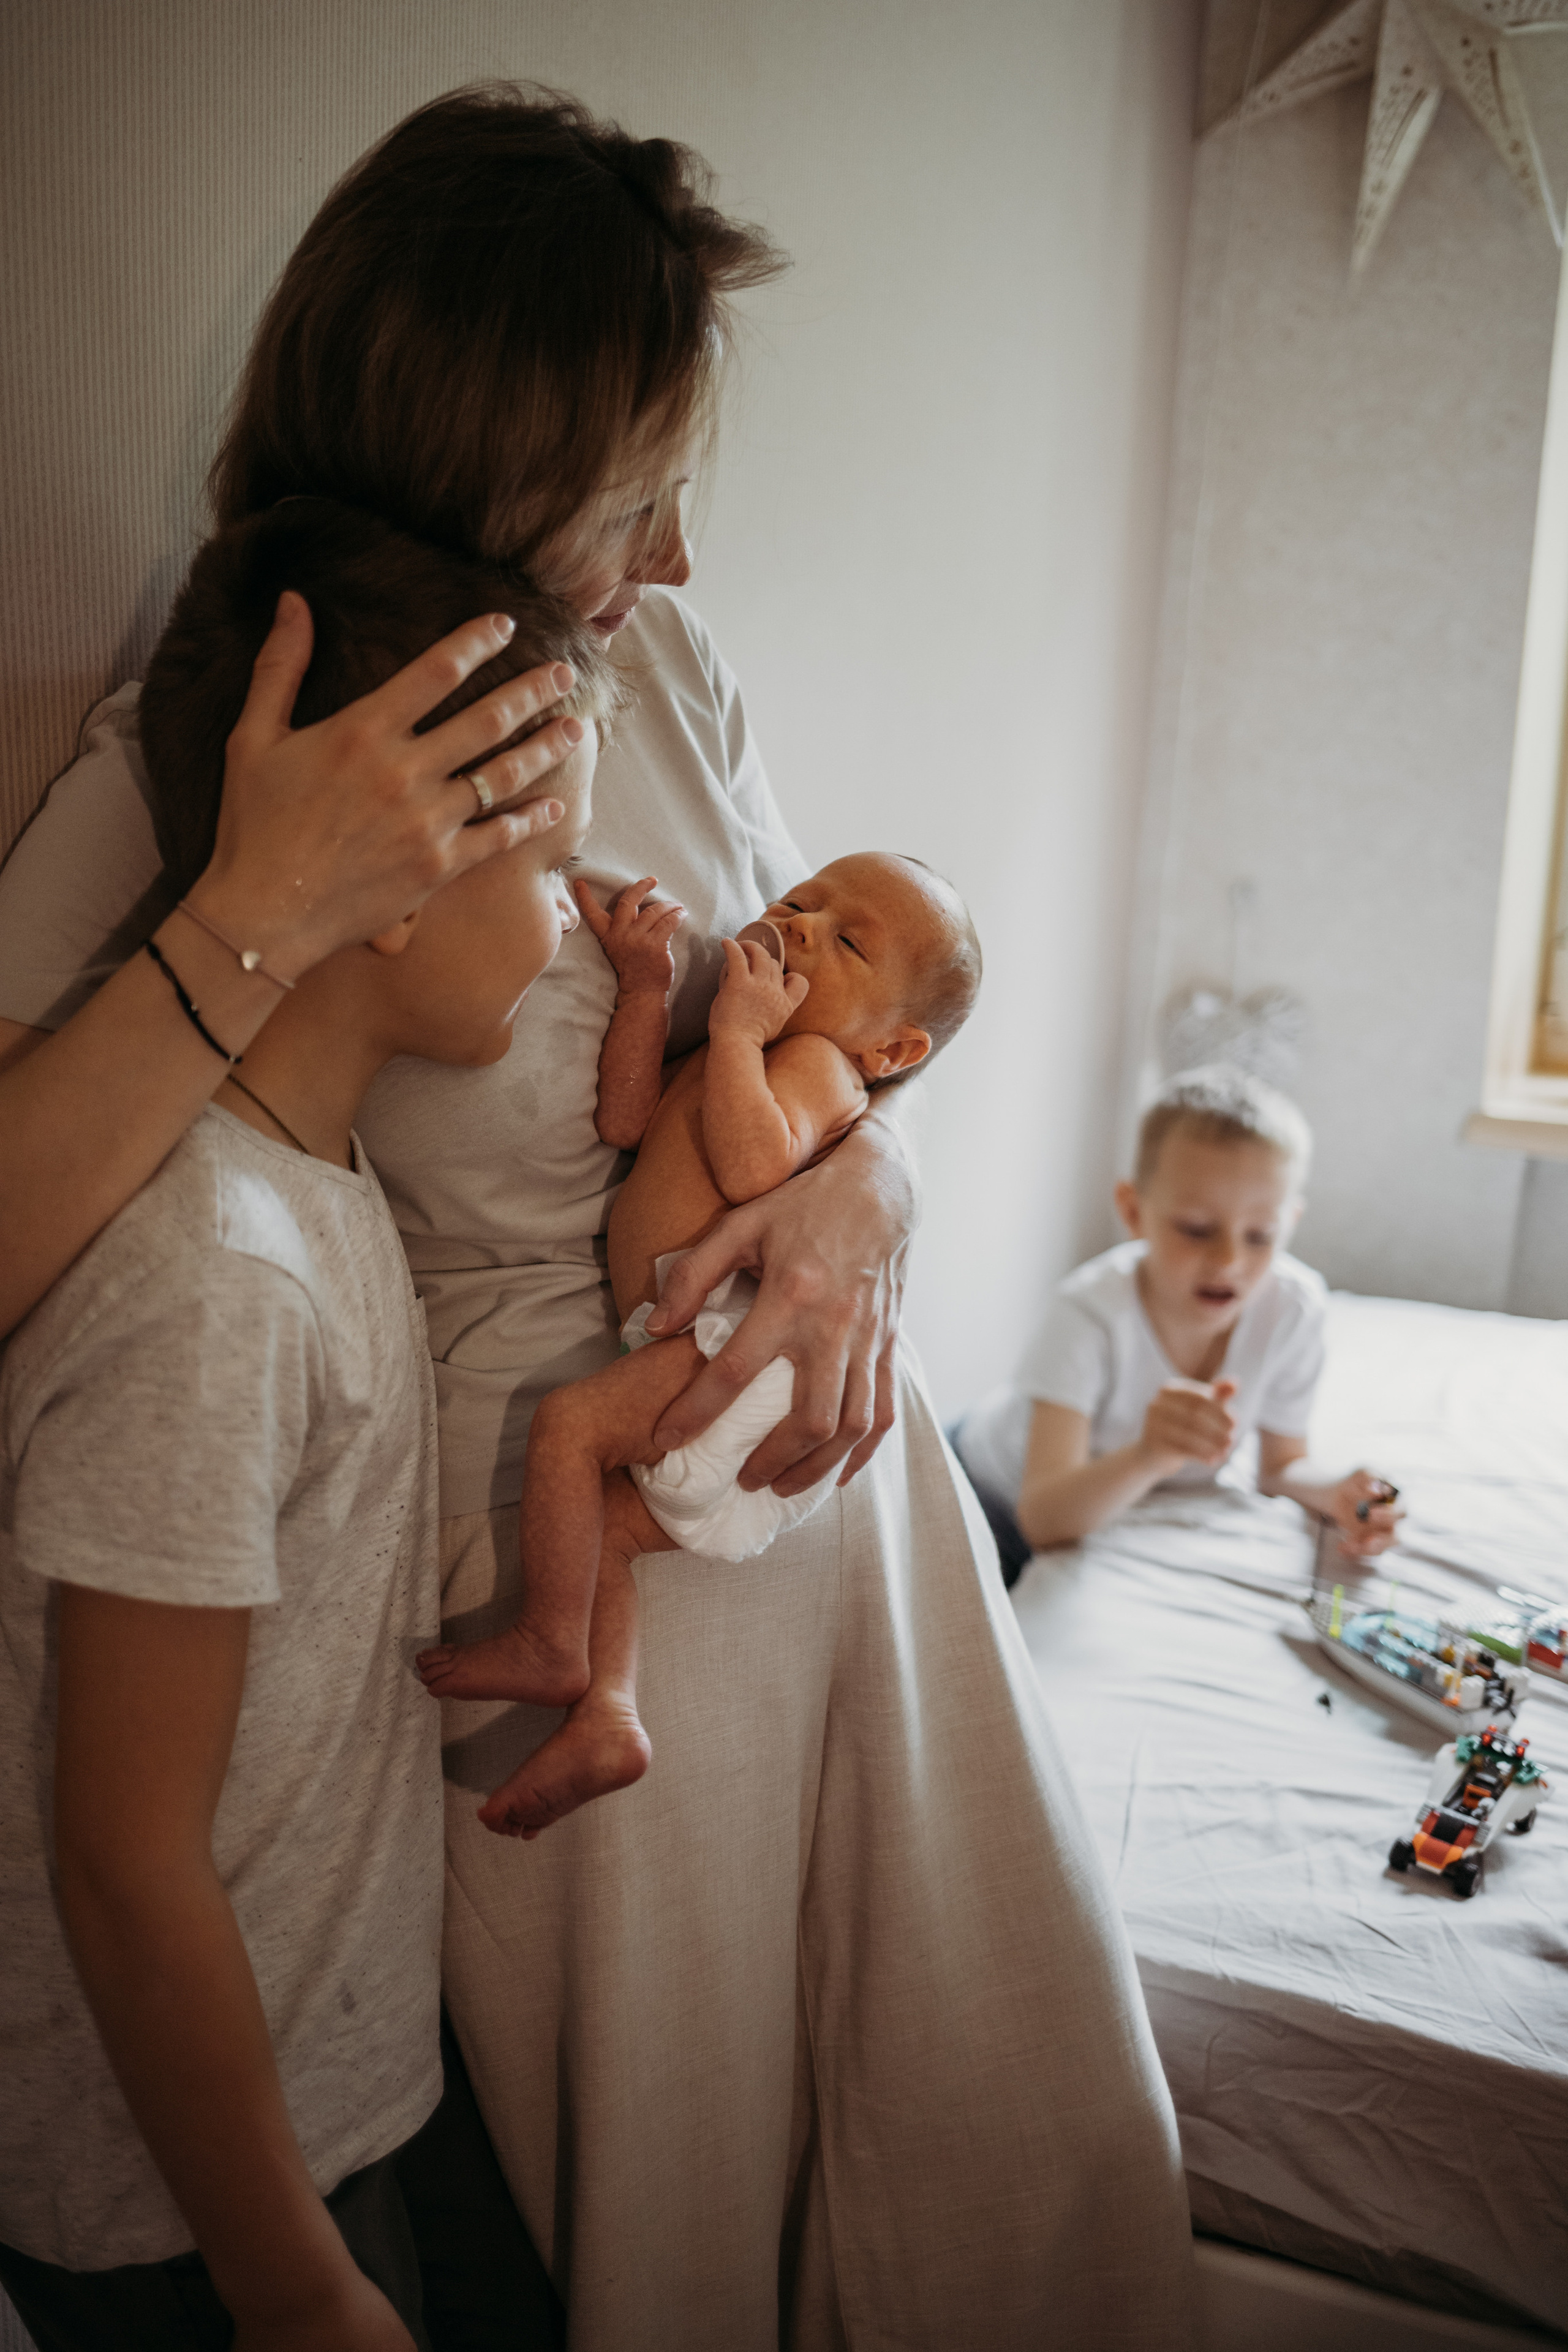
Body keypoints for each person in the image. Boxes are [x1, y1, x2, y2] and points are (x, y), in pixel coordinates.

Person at [0, 86, 1197, 2348]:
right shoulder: (246, 715)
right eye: (634, 491)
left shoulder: (655, 664)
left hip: (818, 1466)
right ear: (496, 438)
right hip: (560, 1542)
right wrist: (259, 909)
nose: (663, 561)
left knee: (997, 2138)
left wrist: (870, 1190)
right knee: (683, 2236)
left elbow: (819, 993)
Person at [0, 501, 616, 2352]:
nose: (582, 916)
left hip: (315, 2111)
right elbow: (125, 1850)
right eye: (555, 866)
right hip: (191, 2209)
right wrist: (288, 2282)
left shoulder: (317, 1185)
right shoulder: (214, 1277)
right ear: (402, 875)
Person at [418, 855, 982, 1839]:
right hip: (710, 1356)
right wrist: (645, 991)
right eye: (800, 900)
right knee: (599, 1519)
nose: (800, 924)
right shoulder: (747, 1055)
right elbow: (626, 1120)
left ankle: (552, 1643)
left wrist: (733, 1030)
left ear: (892, 1050)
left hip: (747, 1356)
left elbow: (755, 1159)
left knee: (567, 1429)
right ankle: (606, 1714)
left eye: (847, 940)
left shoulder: (813, 1067)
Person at [953, 1065, 1406, 1577]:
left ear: (1290, 1224)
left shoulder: (1294, 1309)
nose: (1229, 1260)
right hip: (986, 1489)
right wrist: (1149, 1455)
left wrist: (1338, 1492)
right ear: (1133, 1211)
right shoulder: (1088, 1314)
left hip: (1095, 1500)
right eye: (1195, 1229)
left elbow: (1280, 1467)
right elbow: (1041, 1518)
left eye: (1260, 1236)